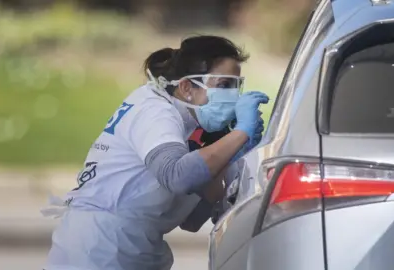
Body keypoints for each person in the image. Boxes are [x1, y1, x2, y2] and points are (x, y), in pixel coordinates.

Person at [42, 35, 269, 270]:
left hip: (132, 249)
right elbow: (177, 176)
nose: (233, 96)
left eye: (236, 85)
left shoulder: (189, 123)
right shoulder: (155, 110)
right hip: (100, 251)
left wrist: (232, 153)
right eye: (224, 85)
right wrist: (240, 133)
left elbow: (192, 219)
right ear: (186, 87)